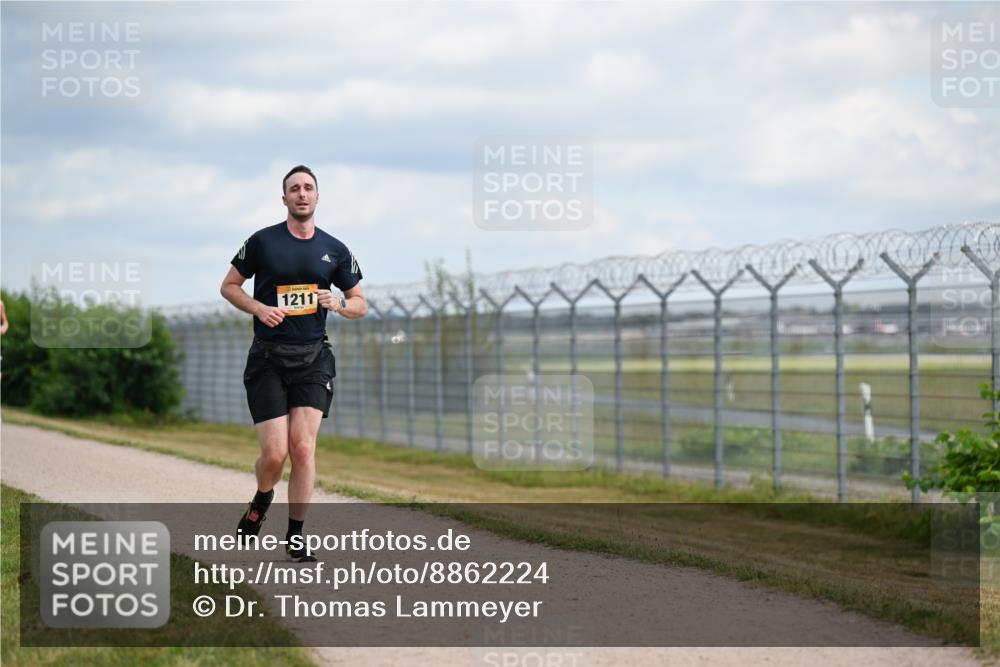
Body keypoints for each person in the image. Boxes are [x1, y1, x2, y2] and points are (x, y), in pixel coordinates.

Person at [220, 165, 367, 562]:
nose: (301, 194)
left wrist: (338, 303)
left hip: (313, 358)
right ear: (283, 198)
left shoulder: (335, 249)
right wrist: (258, 307)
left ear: (318, 197)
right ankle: (262, 497)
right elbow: (229, 286)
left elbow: (360, 303)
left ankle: (296, 536)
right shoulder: (262, 242)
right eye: (294, 189)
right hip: (268, 358)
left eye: (308, 188)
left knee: (302, 449)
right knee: (274, 455)